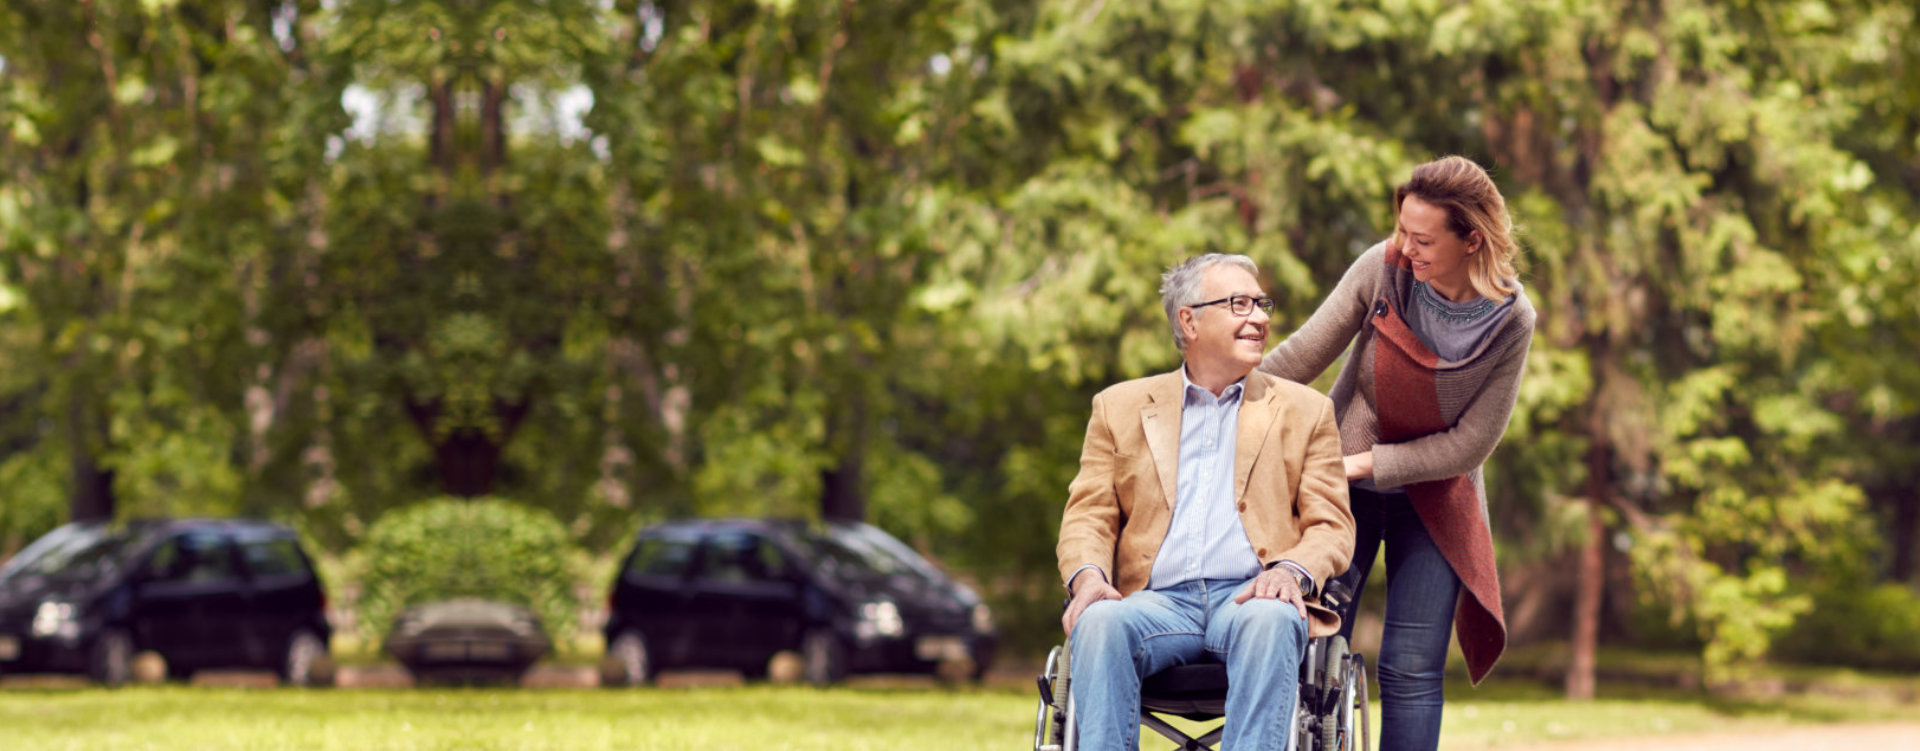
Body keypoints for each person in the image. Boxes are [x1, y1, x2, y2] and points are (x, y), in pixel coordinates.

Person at [1258, 155, 1536, 751]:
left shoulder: (1512, 321)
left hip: (1436, 497)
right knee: (1316, 654)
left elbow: (1471, 444)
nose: (1406, 247)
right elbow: (1300, 358)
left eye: (1424, 238)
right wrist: (1205, 394)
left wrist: (1359, 463)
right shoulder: (1383, 270)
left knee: (1410, 671)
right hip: (1342, 496)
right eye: (1402, 231)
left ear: (1473, 240)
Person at [1057, 253, 1355, 750]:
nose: (1259, 317)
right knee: (1099, 622)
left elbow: (1331, 525)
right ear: (1189, 320)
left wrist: (1288, 572)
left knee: (1272, 617)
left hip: (1251, 595)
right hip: (1155, 602)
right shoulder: (1119, 407)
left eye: (1262, 305)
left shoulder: (1307, 411)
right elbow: (1090, 513)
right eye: (1239, 304)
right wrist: (1088, 578)